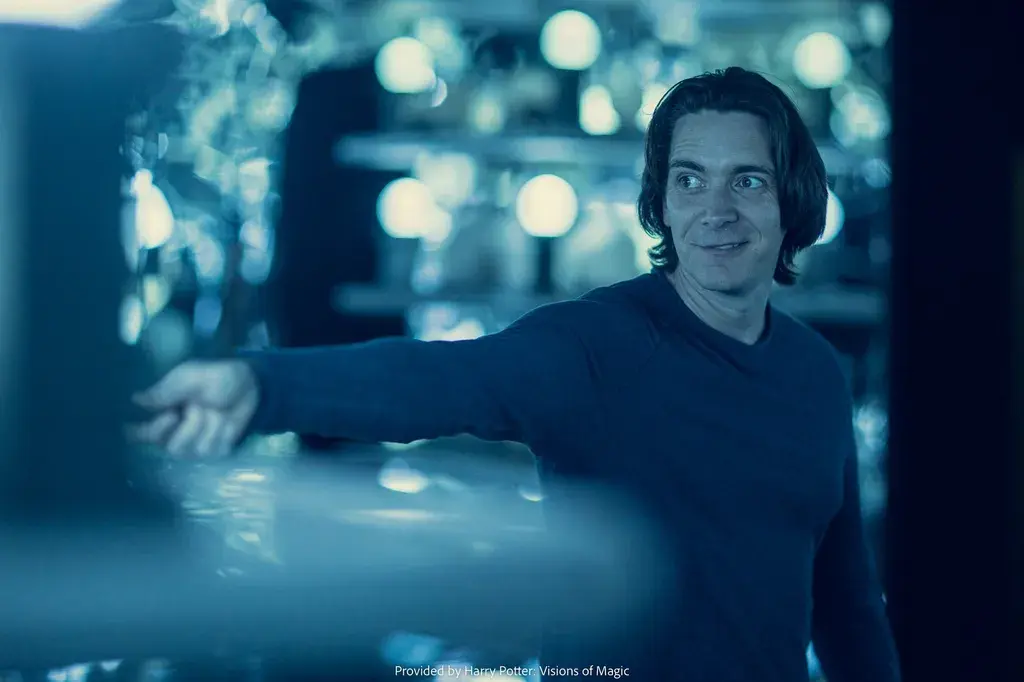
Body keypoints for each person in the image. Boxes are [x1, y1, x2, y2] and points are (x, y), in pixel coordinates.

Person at [130, 67, 901, 681]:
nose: (715, 209)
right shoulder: (596, 345)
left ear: (791, 198)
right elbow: (433, 380)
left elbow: (846, 605)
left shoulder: (814, 373)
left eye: (748, 181)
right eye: (690, 181)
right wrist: (260, 386)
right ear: (661, 204)